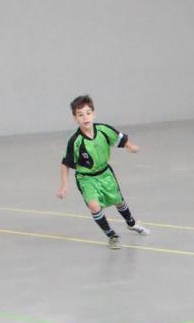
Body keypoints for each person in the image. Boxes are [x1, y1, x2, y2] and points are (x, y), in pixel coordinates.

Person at [58, 94, 149, 250]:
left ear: (94, 113)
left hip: (105, 174)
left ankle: (132, 223)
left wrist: (130, 146)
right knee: (94, 206)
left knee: (118, 201)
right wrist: (64, 185)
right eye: (80, 115)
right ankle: (111, 235)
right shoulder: (75, 141)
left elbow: (120, 138)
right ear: (75, 118)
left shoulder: (103, 130)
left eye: (88, 113)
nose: (85, 118)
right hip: (86, 179)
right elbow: (65, 164)